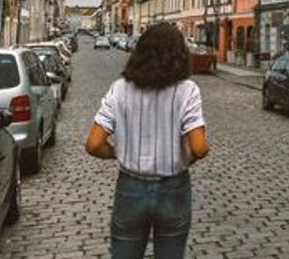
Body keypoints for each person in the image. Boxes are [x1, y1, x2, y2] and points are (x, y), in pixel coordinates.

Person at [85, 22, 209, 259]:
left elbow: (93, 144)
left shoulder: (120, 89)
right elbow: (200, 147)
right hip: (173, 189)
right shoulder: (187, 90)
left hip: (131, 187)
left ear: (139, 52)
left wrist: (118, 152)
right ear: (180, 55)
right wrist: (186, 155)